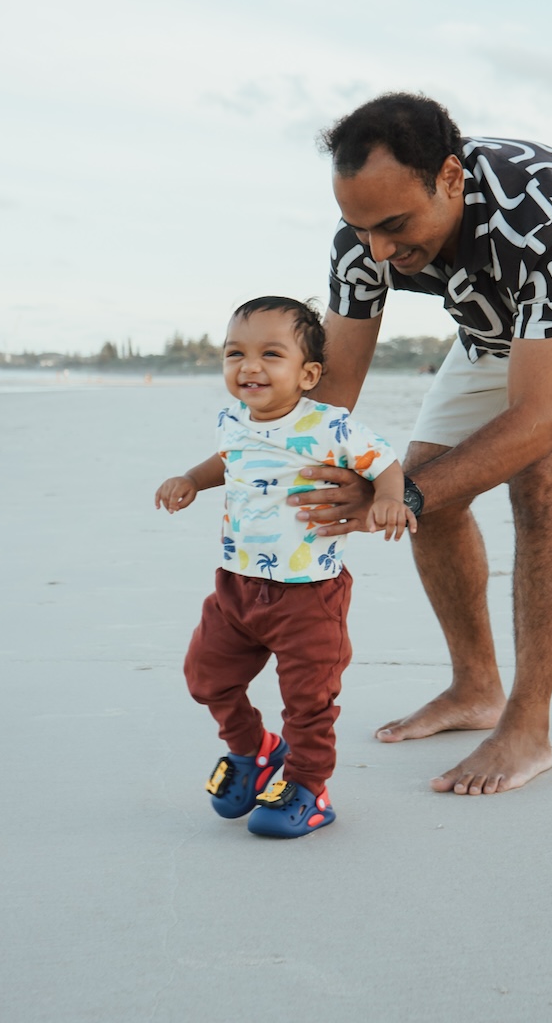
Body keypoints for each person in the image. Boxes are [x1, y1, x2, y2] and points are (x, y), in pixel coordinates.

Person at [284, 92, 552, 796]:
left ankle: (528, 726)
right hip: (495, 318)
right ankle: (476, 690)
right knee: (431, 483)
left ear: (450, 178)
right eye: (361, 228)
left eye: (395, 226)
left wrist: (399, 493)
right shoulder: (364, 237)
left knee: (543, 481)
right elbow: (334, 389)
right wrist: (283, 482)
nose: (379, 251)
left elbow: (538, 420)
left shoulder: (541, 209)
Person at [155, 296, 415, 838]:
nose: (249, 366)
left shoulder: (328, 426)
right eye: (235, 353)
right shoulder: (233, 419)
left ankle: (308, 787)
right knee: (206, 676)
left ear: (307, 374)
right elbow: (228, 459)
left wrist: (391, 498)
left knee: (308, 701)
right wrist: (192, 479)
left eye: (270, 354)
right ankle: (253, 750)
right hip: (236, 587)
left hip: (308, 595)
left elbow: (384, 461)